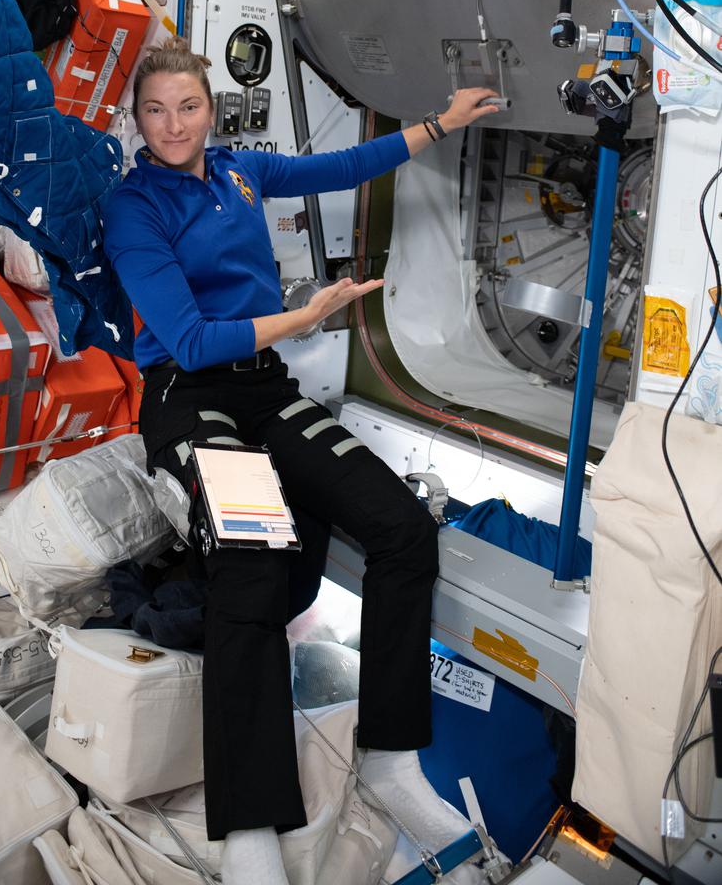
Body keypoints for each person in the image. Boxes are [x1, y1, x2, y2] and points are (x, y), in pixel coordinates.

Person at [104, 43, 500, 884]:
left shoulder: (241, 173)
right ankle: (249, 825)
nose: (173, 126)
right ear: (136, 120)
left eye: (187, 107)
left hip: (262, 390)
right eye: (155, 111)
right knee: (250, 562)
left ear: (211, 110)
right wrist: (307, 315)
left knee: (401, 531)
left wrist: (438, 123)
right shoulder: (134, 207)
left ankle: (390, 761)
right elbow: (190, 338)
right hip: (189, 396)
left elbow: (343, 164)